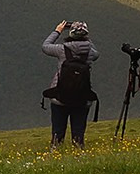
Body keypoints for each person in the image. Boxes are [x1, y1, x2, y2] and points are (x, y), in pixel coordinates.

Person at [42, 20, 99, 148]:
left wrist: (57, 31)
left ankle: (55, 156)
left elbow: (45, 46)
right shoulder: (90, 52)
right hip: (82, 98)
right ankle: (79, 157)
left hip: (59, 97)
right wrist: (86, 38)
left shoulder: (61, 49)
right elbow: (96, 54)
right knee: (78, 135)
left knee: (57, 133)